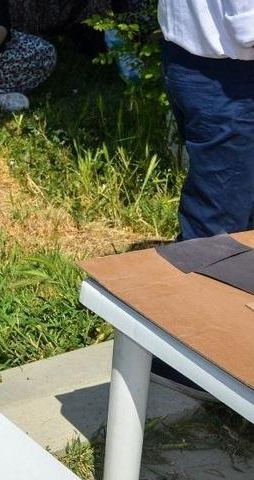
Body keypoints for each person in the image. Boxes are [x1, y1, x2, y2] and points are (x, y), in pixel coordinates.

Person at [148, 0, 253, 400]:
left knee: (224, 220)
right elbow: (248, 25)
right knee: (217, 229)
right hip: (227, 76)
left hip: (211, 67)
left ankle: (205, 347)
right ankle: (183, 362)